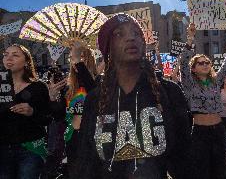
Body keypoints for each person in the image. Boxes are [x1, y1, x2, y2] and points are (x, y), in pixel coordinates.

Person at [71, 13, 191, 179]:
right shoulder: (95, 98)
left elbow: (183, 156)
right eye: (119, 34)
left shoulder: (170, 92)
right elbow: (86, 160)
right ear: (108, 48)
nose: (130, 38)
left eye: (136, 33)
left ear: (143, 43)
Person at [180, 23, 226, 179]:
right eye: (201, 63)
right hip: (200, 133)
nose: (205, 64)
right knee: (201, 170)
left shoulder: (216, 81)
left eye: (207, 62)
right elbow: (182, 64)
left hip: (219, 130)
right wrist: (190, 38)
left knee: (219, 168)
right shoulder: (189, 83)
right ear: (193, 68)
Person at [46, 42, 100, 178]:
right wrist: (52, 98)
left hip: (94, 137)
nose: (75, 61)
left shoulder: (100, 81)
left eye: (80, 57)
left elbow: (94, 94)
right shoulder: (69, 88)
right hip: (73, 138)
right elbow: (59, 116)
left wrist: (78, 62)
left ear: (90, 59)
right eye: (72, 58)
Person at [0, 44, 51, 179]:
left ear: (27, 61)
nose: (9, 58)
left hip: (29, 149)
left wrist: (32, 112)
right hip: (3, 149)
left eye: (15, 55)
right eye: (6, 54)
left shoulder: (38, 87)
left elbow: (47, 118)